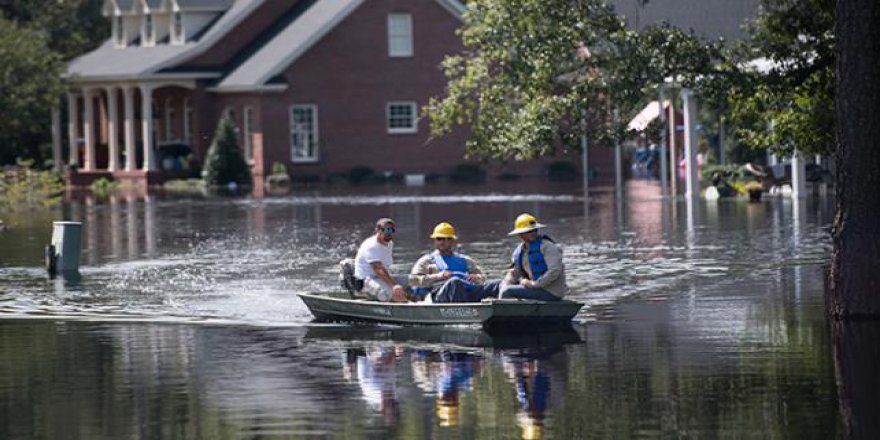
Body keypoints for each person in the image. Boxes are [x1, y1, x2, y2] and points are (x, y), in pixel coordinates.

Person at [409, 222, 501, 303]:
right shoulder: (426, 261)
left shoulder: (465, 260)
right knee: (455, 282)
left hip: (467, 294)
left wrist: (476, 277)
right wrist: (438, 276)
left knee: (497, 283)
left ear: (453, 240)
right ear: (434, 240)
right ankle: (461, 313)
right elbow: (413, 281)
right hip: (441, 296)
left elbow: (482, 278)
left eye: (447, 239)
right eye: (439, 239)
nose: (443, 242)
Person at [500, 213, 568, 301]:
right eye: (528, 231)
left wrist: (534, 284)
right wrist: (506, 284)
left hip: (550, 291)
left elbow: (555, 271)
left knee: (508, 291)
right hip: (535, 288)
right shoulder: (519, 251)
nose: (533, 233)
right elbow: (514, 272)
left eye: (535, 230)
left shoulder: (548, 247)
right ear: (520, 234)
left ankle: (507, 312)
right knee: (502, 286)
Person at [354, 218, 410, 302]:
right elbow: (378, 269)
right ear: (378, 230)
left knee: (412, 280)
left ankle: (415, 298)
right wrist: (394, 286)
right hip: (367, 280)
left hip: (382, 277)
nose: (389, 232)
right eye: (386, 229)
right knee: (388, 293)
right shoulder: (371, 245)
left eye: (391, 230)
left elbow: (385, 268)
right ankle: (405, 305)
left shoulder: (389, 244)